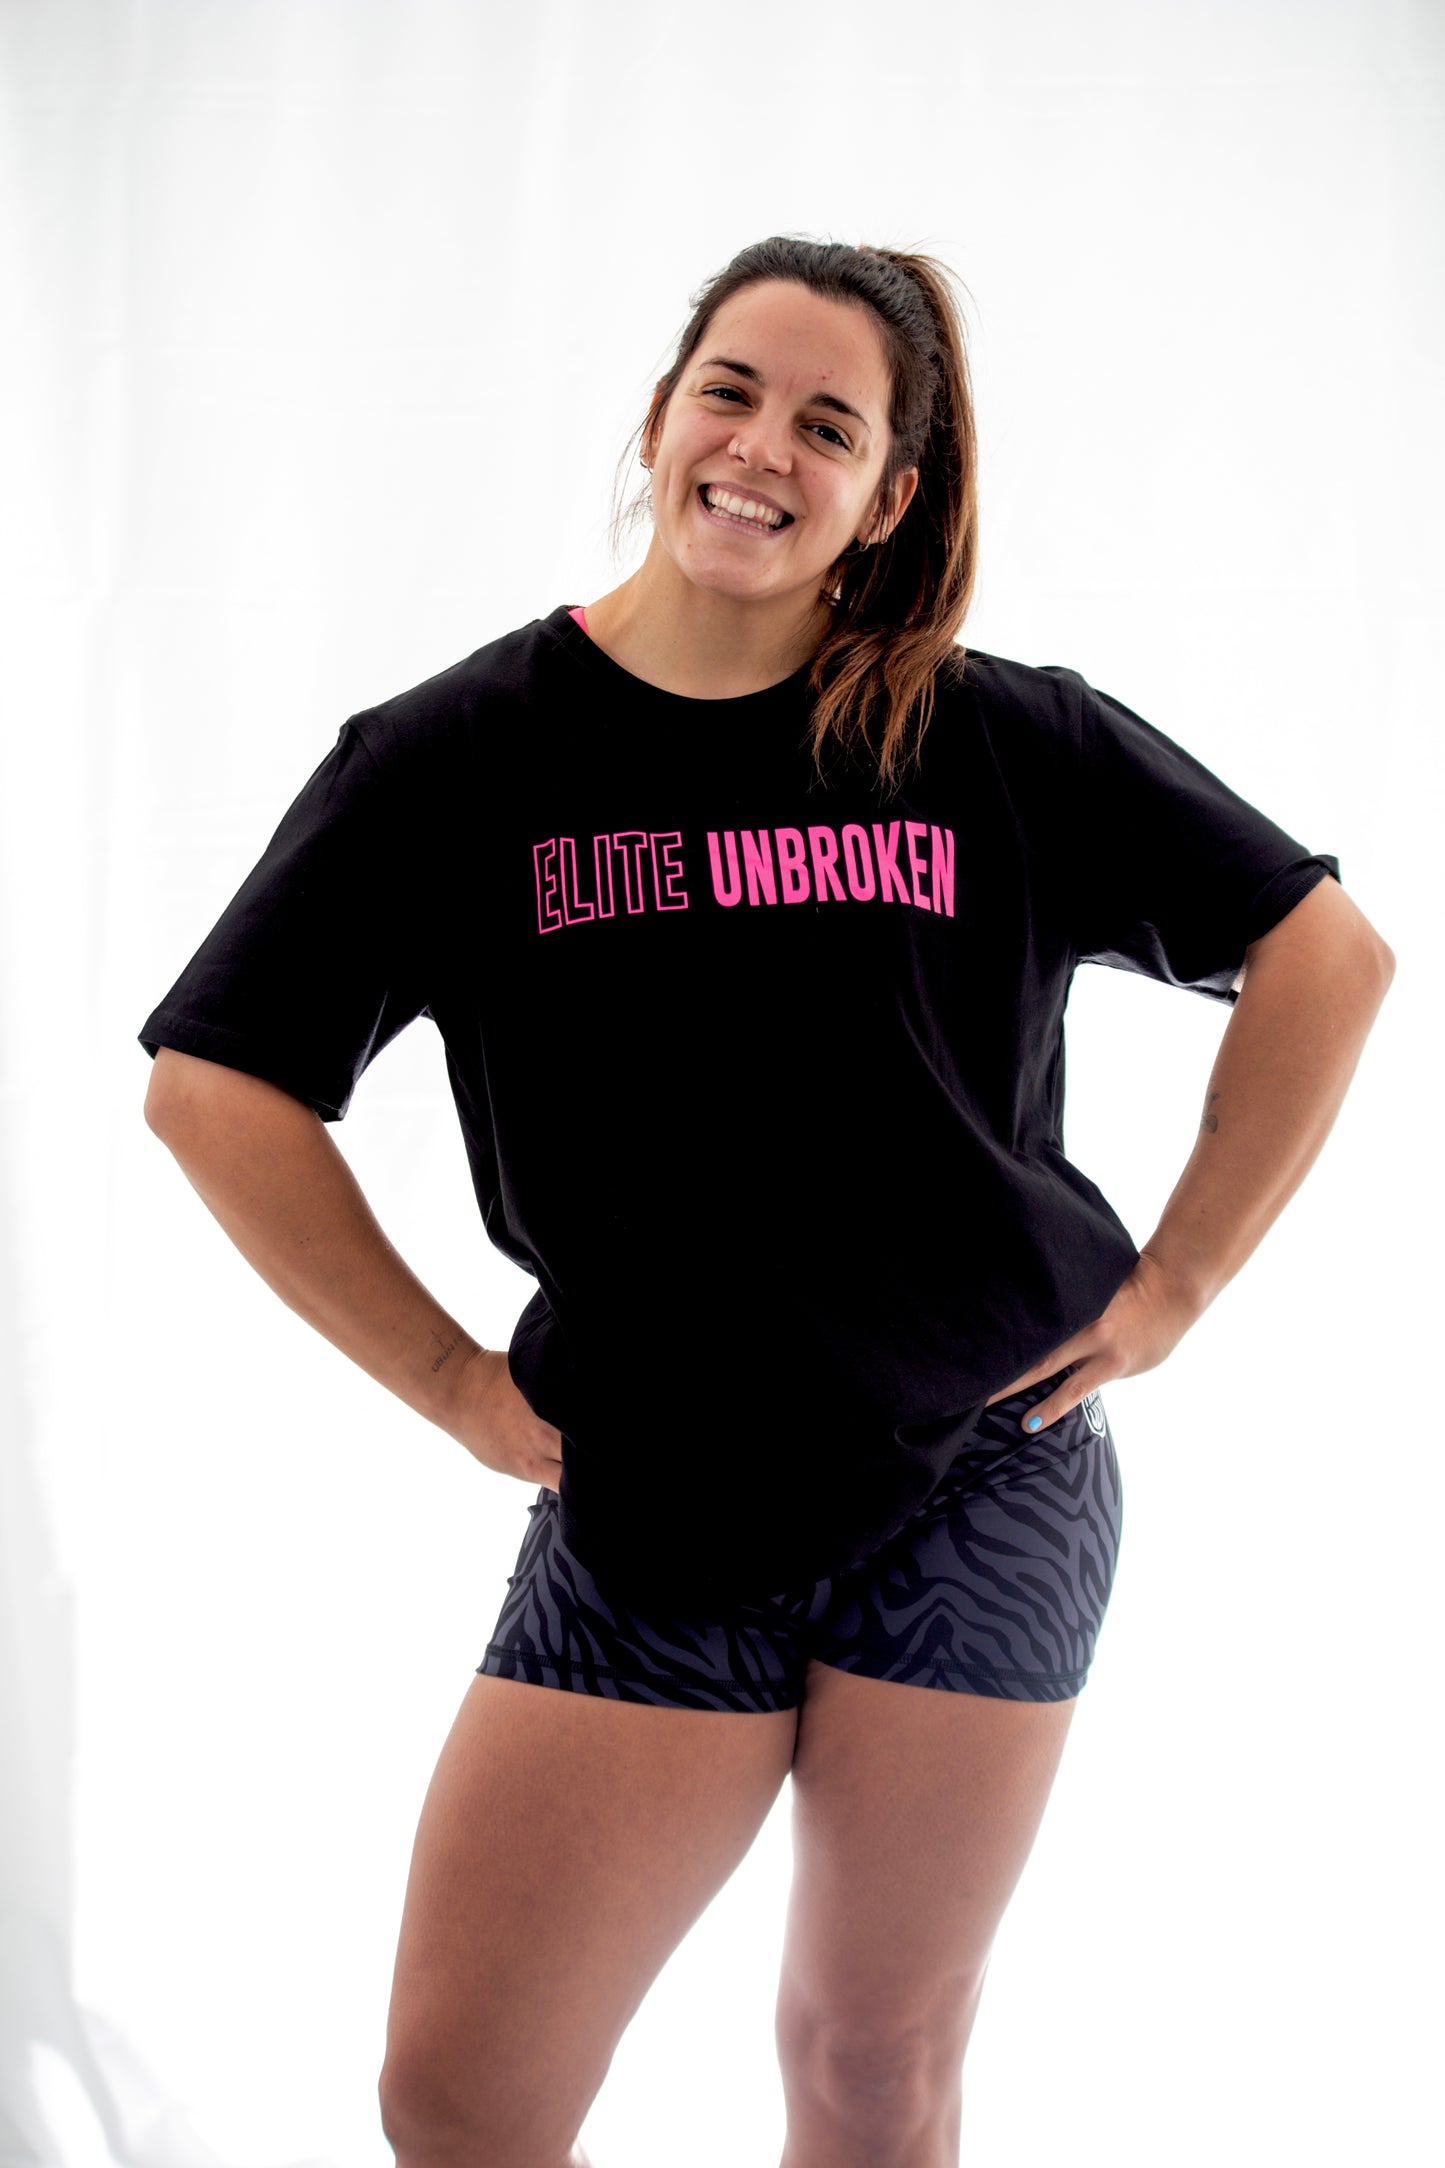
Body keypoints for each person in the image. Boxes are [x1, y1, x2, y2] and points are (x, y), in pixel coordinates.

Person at [137, 235, 1394, 2168]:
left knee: (871, 2067)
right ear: (659, 418)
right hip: (657, 1493)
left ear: (885, 497)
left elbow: (1324, 952)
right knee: (461, 2098)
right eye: (728, 392)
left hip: (985, 1474)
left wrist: (1180, 1280)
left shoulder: (989, 736)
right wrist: (452, 1384)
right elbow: (216, 1086)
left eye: (828, 424)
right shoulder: (458, 757)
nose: (759, 448)